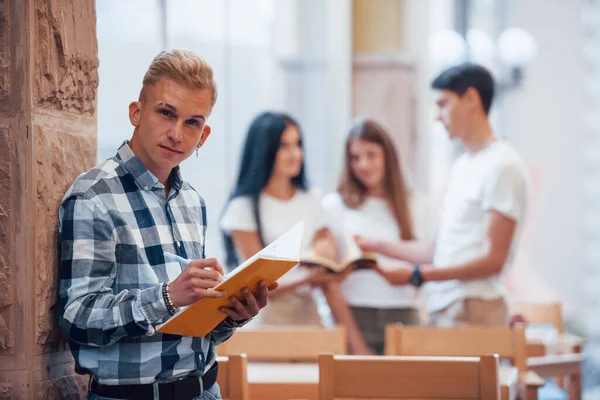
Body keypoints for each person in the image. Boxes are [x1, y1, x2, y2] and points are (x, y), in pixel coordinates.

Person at [58, 50, 275, 400]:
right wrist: (168, 296)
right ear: (136, 113)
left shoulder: (193, 202)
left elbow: (193, 329)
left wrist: (232, 314)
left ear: (203, 135)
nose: (176, 133)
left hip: (206, 391)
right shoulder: (93, 197)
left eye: (192, 123)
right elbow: (78, 320)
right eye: (165, 113)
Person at [356, 63, 530, 327]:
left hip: (474, 306)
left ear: (471, 98)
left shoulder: (503, 165)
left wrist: (417, 276)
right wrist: (376, 246)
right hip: (445, 305)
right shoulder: (464, 165)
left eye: (443, 104)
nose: (438, 116)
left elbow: (493, 260)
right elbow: (439, 251)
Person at [220, 111, 371, 354]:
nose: (295, 153)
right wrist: (308, 277)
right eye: (284, 146)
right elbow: (254, 283)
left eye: (298, 144)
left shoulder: (311, 201)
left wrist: (360, 351)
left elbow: (326, 267)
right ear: (264, 150)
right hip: (265, 325)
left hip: (310, 321)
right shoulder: (243, 208)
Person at [322, 118, 439, 354]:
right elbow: (327, 278)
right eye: (355, 158)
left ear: (388, 155)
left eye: (371, 154)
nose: (363, 164)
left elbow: (436, 259)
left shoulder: (419, 206)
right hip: (353, 317)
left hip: (406, 316)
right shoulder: (334, 207)